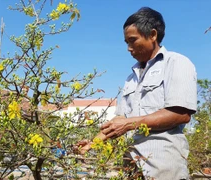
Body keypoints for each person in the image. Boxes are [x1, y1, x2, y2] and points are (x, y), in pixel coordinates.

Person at [75, 7, 197, 180]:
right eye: (126, 42)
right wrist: (92, 143)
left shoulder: (177, 63)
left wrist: (129, 124)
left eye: (132, 40)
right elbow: (120, 120)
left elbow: (181, 114)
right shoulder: (131, 78)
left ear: (153, 35)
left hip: (163, 167)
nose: (129, 48)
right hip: (132, 165)